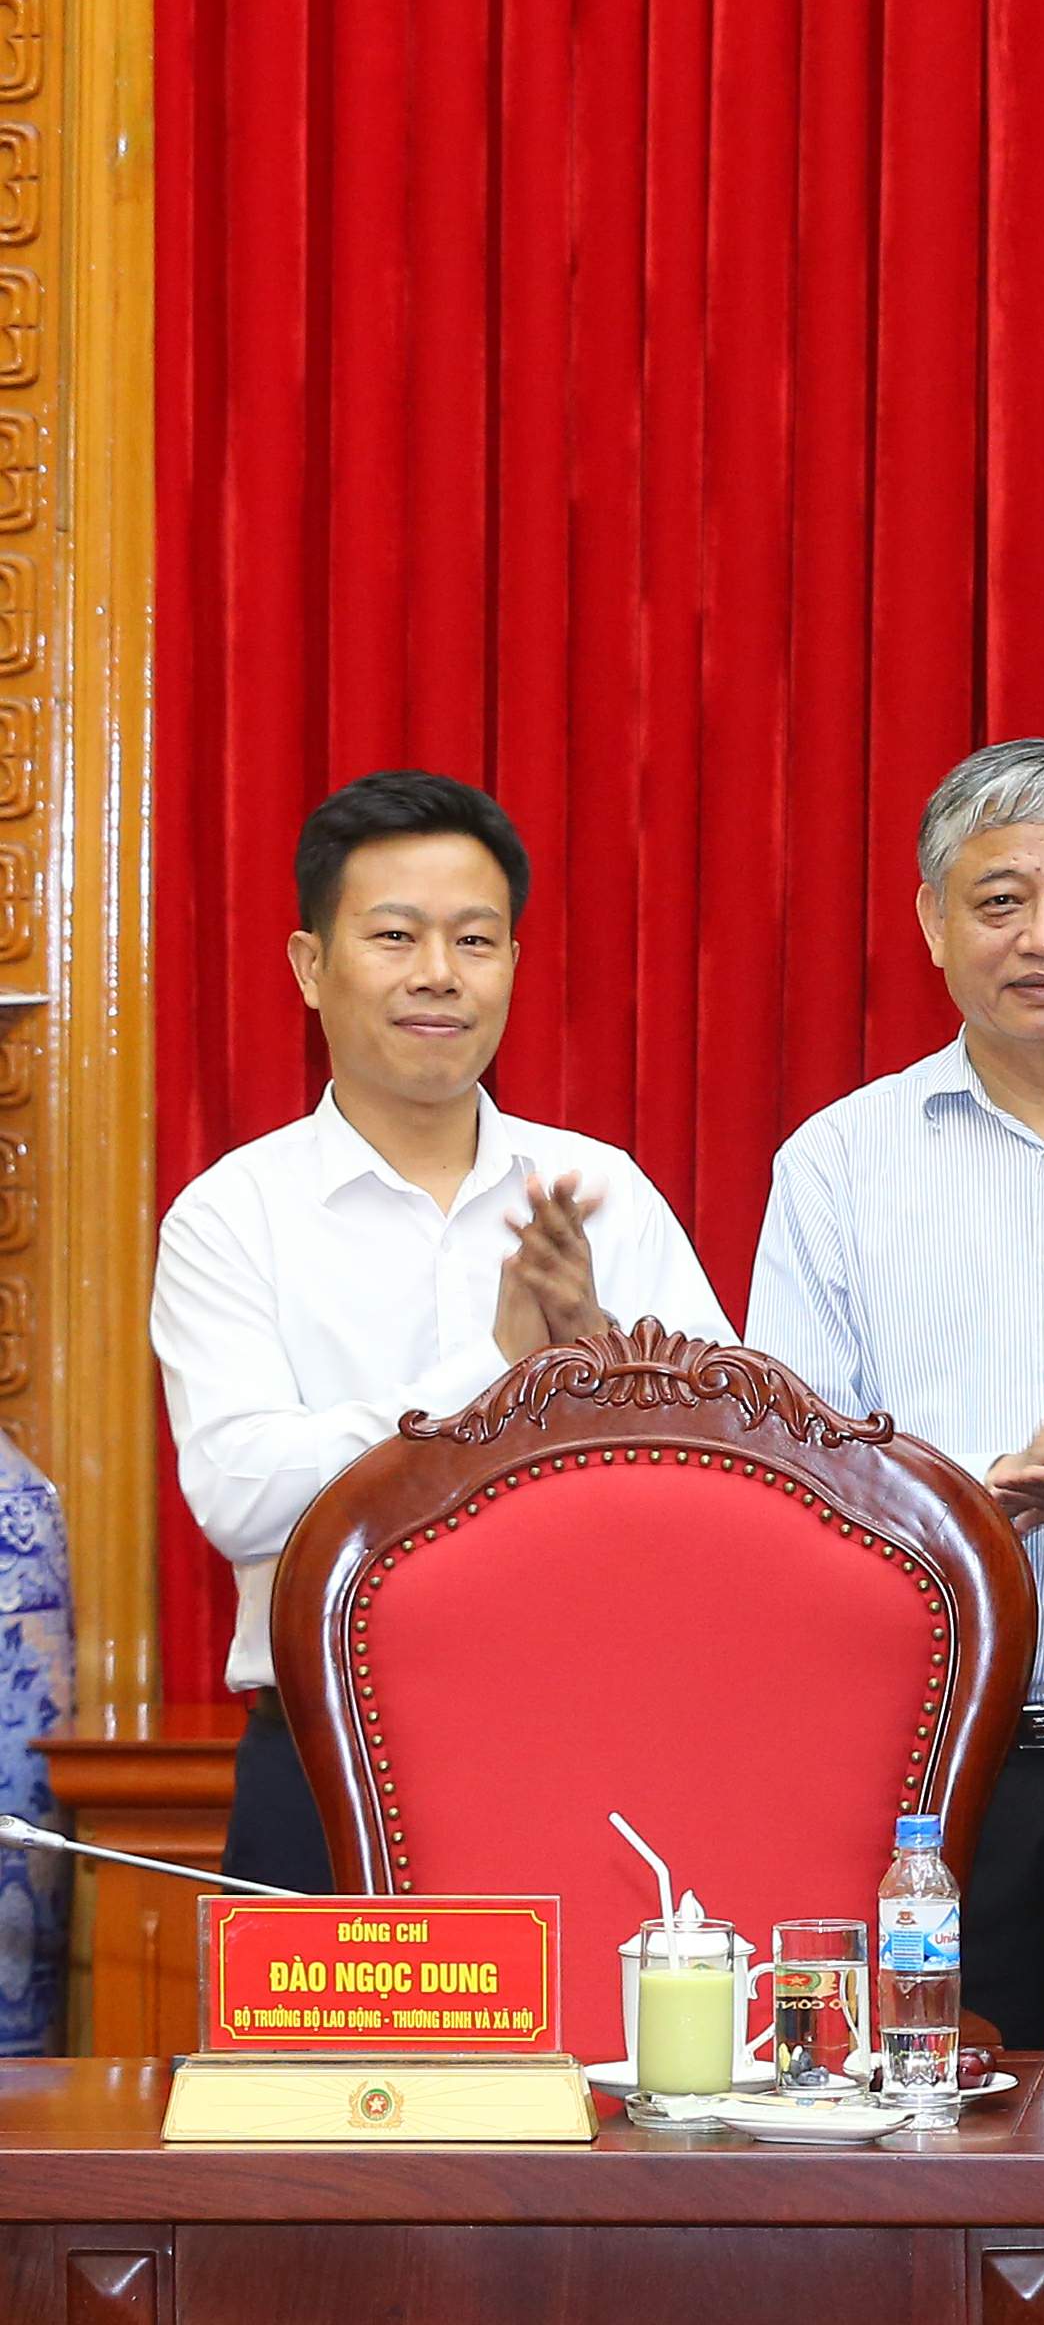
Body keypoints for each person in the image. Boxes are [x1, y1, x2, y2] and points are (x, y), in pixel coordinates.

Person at [152, 771, 732, 1892]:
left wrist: (603, 1360)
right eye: (394, 936)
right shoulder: (232, 1215)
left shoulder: (599, 1189)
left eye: (475, 940)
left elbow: (728, 1474)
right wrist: (501, 1371)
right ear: (310, 966)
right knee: (329, 2023)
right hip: (330, 1753)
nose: (439, 973)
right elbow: (242, 1494)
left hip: (586, 1747)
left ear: (513, 963)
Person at [747, 739, 1044, 2052]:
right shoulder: (839, 1164)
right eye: (1000, 901)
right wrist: (980, 1514)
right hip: (924, 1762)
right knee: (932, 2118)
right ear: (933, 923)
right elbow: (789, 1484)